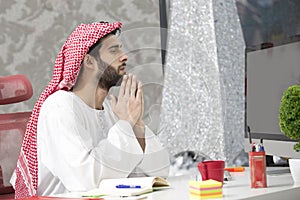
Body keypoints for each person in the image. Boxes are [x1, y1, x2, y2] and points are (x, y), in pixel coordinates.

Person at [11, 21, 170, 198]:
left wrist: (136, 123)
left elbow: (160, 170)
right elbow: (85, 181)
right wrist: (126, 123)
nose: (124, 56)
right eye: (114, 50)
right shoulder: (60, 106)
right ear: (89, 61)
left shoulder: (112, 109)